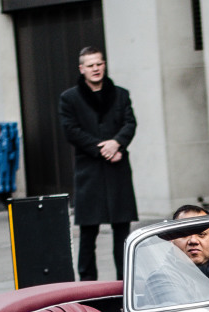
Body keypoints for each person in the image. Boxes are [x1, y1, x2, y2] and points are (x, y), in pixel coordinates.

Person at [59, 46, 138, 280]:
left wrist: (117, 143)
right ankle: (87, 285)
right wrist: (103, 149)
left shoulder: (121, 94)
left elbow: (130, 123)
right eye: (90, 65)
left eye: (99, 64)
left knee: (122, 230)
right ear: (81, 68)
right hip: (89, 171)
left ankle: (125, 281)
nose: (96, 68)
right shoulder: (69, 98)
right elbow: (71, 131)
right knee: (88, 232)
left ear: (104, 65)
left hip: (118, 169)